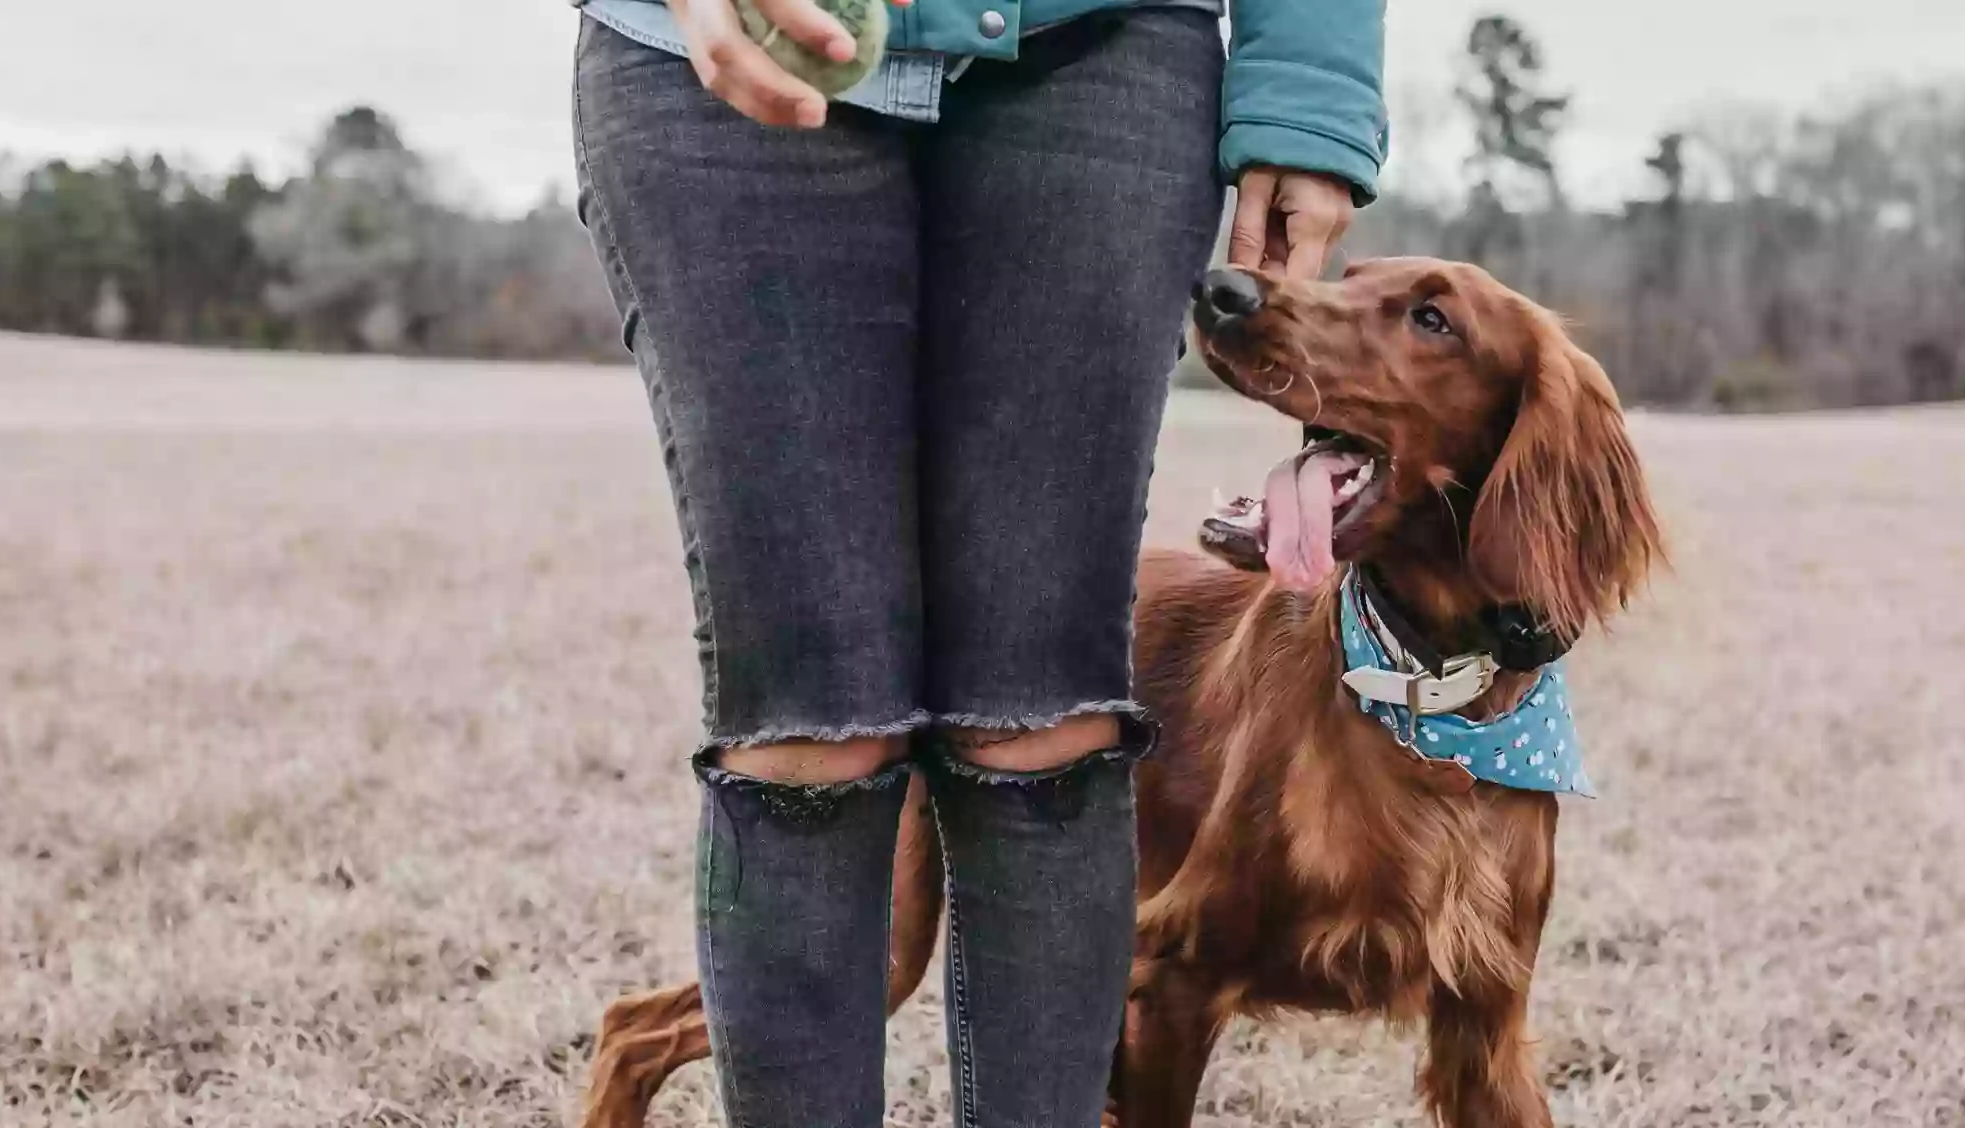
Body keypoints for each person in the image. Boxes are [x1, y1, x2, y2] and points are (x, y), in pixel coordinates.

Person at [567, 0, 1384, 1121]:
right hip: (726, 57)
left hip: (1101, 49)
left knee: (1044, 719)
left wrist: (1310, 85)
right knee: (806, 729)